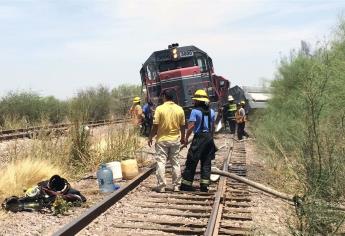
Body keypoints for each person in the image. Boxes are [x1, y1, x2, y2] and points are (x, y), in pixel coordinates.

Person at [148, 89, 185, 193]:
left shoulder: (159, 109)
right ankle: (177, 186)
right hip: (175, 140)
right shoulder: (180, 109)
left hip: (162, 140)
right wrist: (183, 137)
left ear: (164, 97)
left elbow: (155, 126)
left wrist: (150, 137)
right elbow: (182, 126)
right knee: (175, 163)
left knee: (161, 163)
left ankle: (161, 186)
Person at [180, 89, 217, 192]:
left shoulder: (194, 111)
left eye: (195, 100)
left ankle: (186, 185)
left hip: (199, 138)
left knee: (192, 161)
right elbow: (213, 126)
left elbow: (191, 126)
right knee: (206, 162)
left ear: (197, 101)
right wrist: (211, 137)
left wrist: (186, 138)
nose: (194, 101)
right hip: (209, 137)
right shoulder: (212, 111)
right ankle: (204, 186)